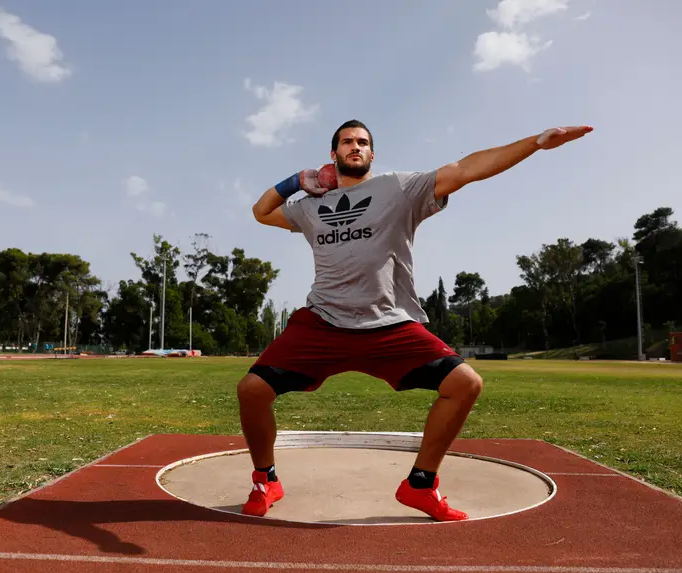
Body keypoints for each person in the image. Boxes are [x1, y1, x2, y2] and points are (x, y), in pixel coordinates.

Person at [237, 119, 593, 521]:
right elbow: (260, 212)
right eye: (347, 142)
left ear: (373, 153)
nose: (355, 147)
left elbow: (465, 169)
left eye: (363, 142)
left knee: (465, 384)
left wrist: (535, 143)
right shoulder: (310, 205)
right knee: (252, 390)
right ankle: (266, 479)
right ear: (333, 154)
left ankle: (421, 485)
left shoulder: (399, 189)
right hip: (324, 322)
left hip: (389, 323)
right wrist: (297, 180)